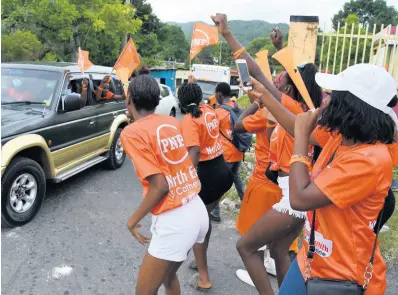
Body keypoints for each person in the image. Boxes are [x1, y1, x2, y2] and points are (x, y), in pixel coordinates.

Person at [248, 63, 397, 295]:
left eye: (333, 96)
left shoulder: (369, 160)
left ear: (352, 106)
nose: (325, 100)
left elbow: (300, 198)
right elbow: (296, 125)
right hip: (311, 259)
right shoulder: (342, 136)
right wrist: (265, 97)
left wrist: (300, 141)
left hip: (341, 277)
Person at [211, 13, 323, 295]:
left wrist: (227, 34)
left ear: (288, 87)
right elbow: (269, 78)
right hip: (296, 191)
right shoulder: (308, 110)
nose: (277, 75)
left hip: (289, 195)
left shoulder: (290, 107)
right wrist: (279, 47)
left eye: (282, 76)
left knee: (245, 246)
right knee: (278, 250)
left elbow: (255, 75)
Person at [120, 74, 209, 295]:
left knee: (144, 291)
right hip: (196, 209)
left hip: (176, 220)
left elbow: (160, 186)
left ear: (129, 99)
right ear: (157, 101)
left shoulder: (131, 133)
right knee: (169, 277)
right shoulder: (170, 122)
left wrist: (132, 221)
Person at [178, 78, 233, 290]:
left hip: (207, 176)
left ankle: (204, 278)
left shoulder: (189, 120)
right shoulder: (210, 110)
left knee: (197, 226)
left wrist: (187, 182)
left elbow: (194, 152)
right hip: (222, 172)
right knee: (205, 220)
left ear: (182, 103)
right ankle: (199, 261)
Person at [210, 82, 245, 223]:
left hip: (226, 155)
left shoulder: (218, 112)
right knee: (236, 178)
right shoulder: (239, 107)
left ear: (219, 94)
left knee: (218, 182)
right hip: (238, 152)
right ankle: (247, 204)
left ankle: (216, 212)